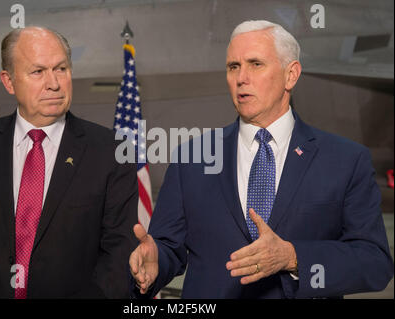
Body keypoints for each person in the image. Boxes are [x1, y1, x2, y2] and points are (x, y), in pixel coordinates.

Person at [129, 20, 393, 298]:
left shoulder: (345, 160)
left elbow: (373, 262)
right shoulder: (191, 158)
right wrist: (155, 263)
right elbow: (169, 248)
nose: (241, 77)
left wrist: (293, 257)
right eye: (233, 67)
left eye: (255, 64)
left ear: (291, 75)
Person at [0, 26, 138, 298]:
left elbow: (117, 255)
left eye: (61, 68)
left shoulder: (111, 152)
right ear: (8, 81)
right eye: (38, 72)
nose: (54, 83)